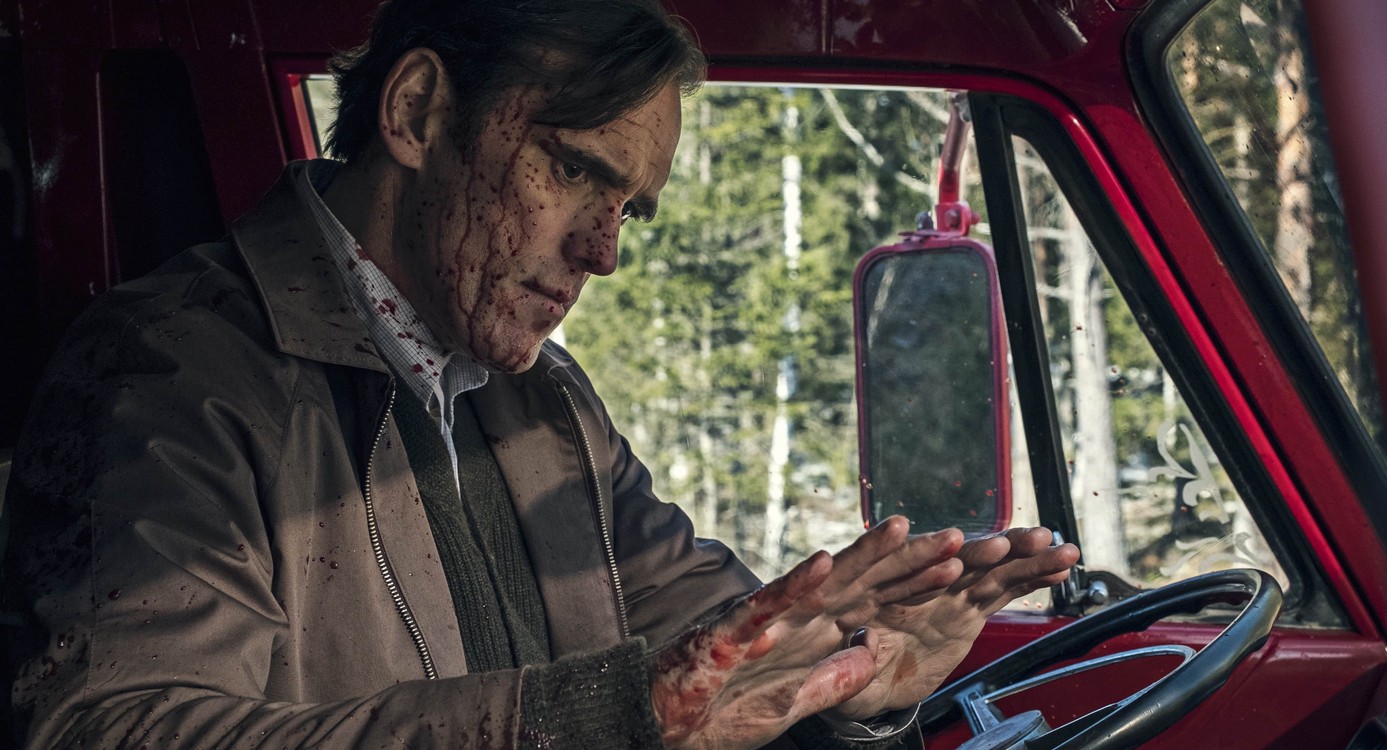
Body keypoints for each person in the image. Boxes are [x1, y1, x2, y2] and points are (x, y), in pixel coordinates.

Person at [1, 0, 1080, 747]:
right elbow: (114, 730)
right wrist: (602, 720)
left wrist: (856, 685)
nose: (603, 252)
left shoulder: (544, 405)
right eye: (572, 170)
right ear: (417, 113)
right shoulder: (170, 371)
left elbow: (721, 661)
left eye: (627, 212)